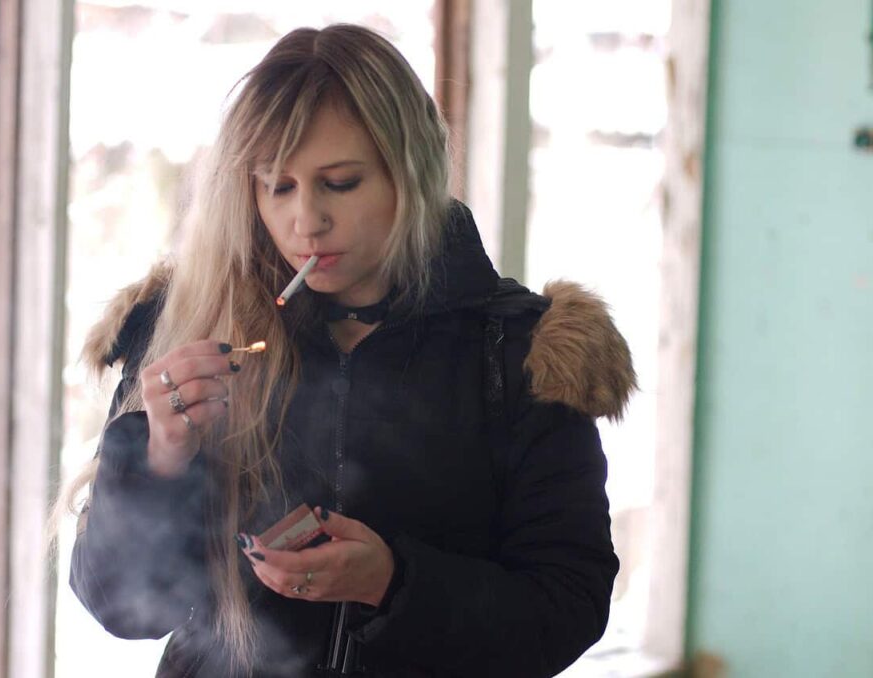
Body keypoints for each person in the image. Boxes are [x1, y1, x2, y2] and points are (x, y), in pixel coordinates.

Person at [65, 23, 636, 678]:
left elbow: (566, 609)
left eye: (339, 182)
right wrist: (158, 458)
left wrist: (392, 584)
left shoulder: (524, 356)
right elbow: (120, 610)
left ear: (411, 173)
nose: (306, 221)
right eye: (277, 186)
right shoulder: (185, 326)